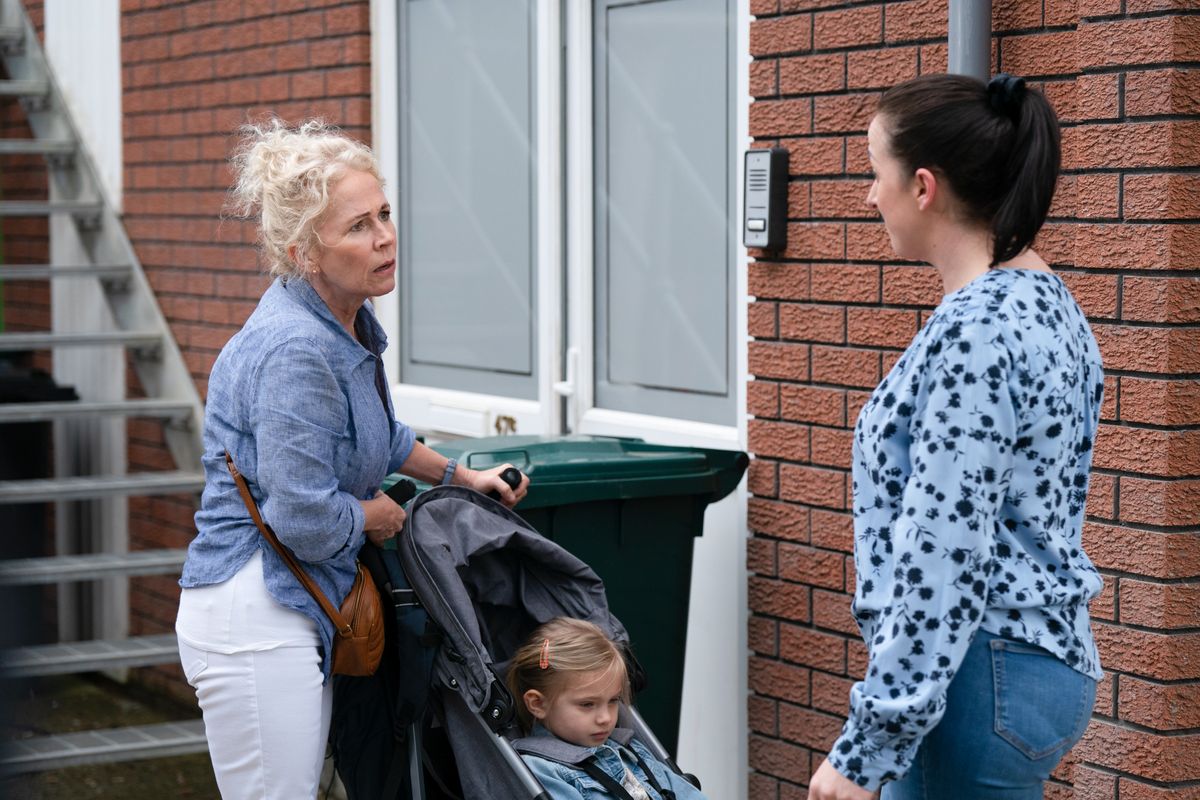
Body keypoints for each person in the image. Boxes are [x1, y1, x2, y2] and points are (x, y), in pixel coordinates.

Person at [174, 118, 530, 799]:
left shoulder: (345, 323)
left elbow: (381, 438)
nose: (386, 236)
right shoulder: (296, 351)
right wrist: (375, 513)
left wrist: (463, 478)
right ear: (304, 252)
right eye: (359, 226)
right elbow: (303, 516)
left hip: (294, 606)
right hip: (256, 613)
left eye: (385, 214)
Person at [807, 74, 1105, 800]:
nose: (868, 195)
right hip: (1027, 667)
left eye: (875, 171)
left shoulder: (977, 333)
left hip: (974, 677)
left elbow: (944, 550)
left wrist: (867, 747)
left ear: (923, 187)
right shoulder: (1047, 302)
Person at [507, 617, 708, 800]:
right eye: (587, 704)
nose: (605, 718)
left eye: (613, 700)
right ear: (538, 704)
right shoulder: (543, 771)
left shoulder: (629, 750)